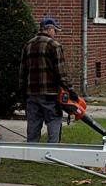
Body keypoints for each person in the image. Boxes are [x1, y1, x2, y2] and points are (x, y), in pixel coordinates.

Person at [19, 14, 72, 144]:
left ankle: (31, 152)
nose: (55, 34)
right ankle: (52, 151)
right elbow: (61, 72)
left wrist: (22, 93)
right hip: (50, 94)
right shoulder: (54, 46)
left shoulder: (28, 45)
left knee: (33, 124)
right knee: (54, 121)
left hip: (32, 94)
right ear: (48, 29)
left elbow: (22, 72)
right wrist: (70, 90)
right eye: (55, 30)